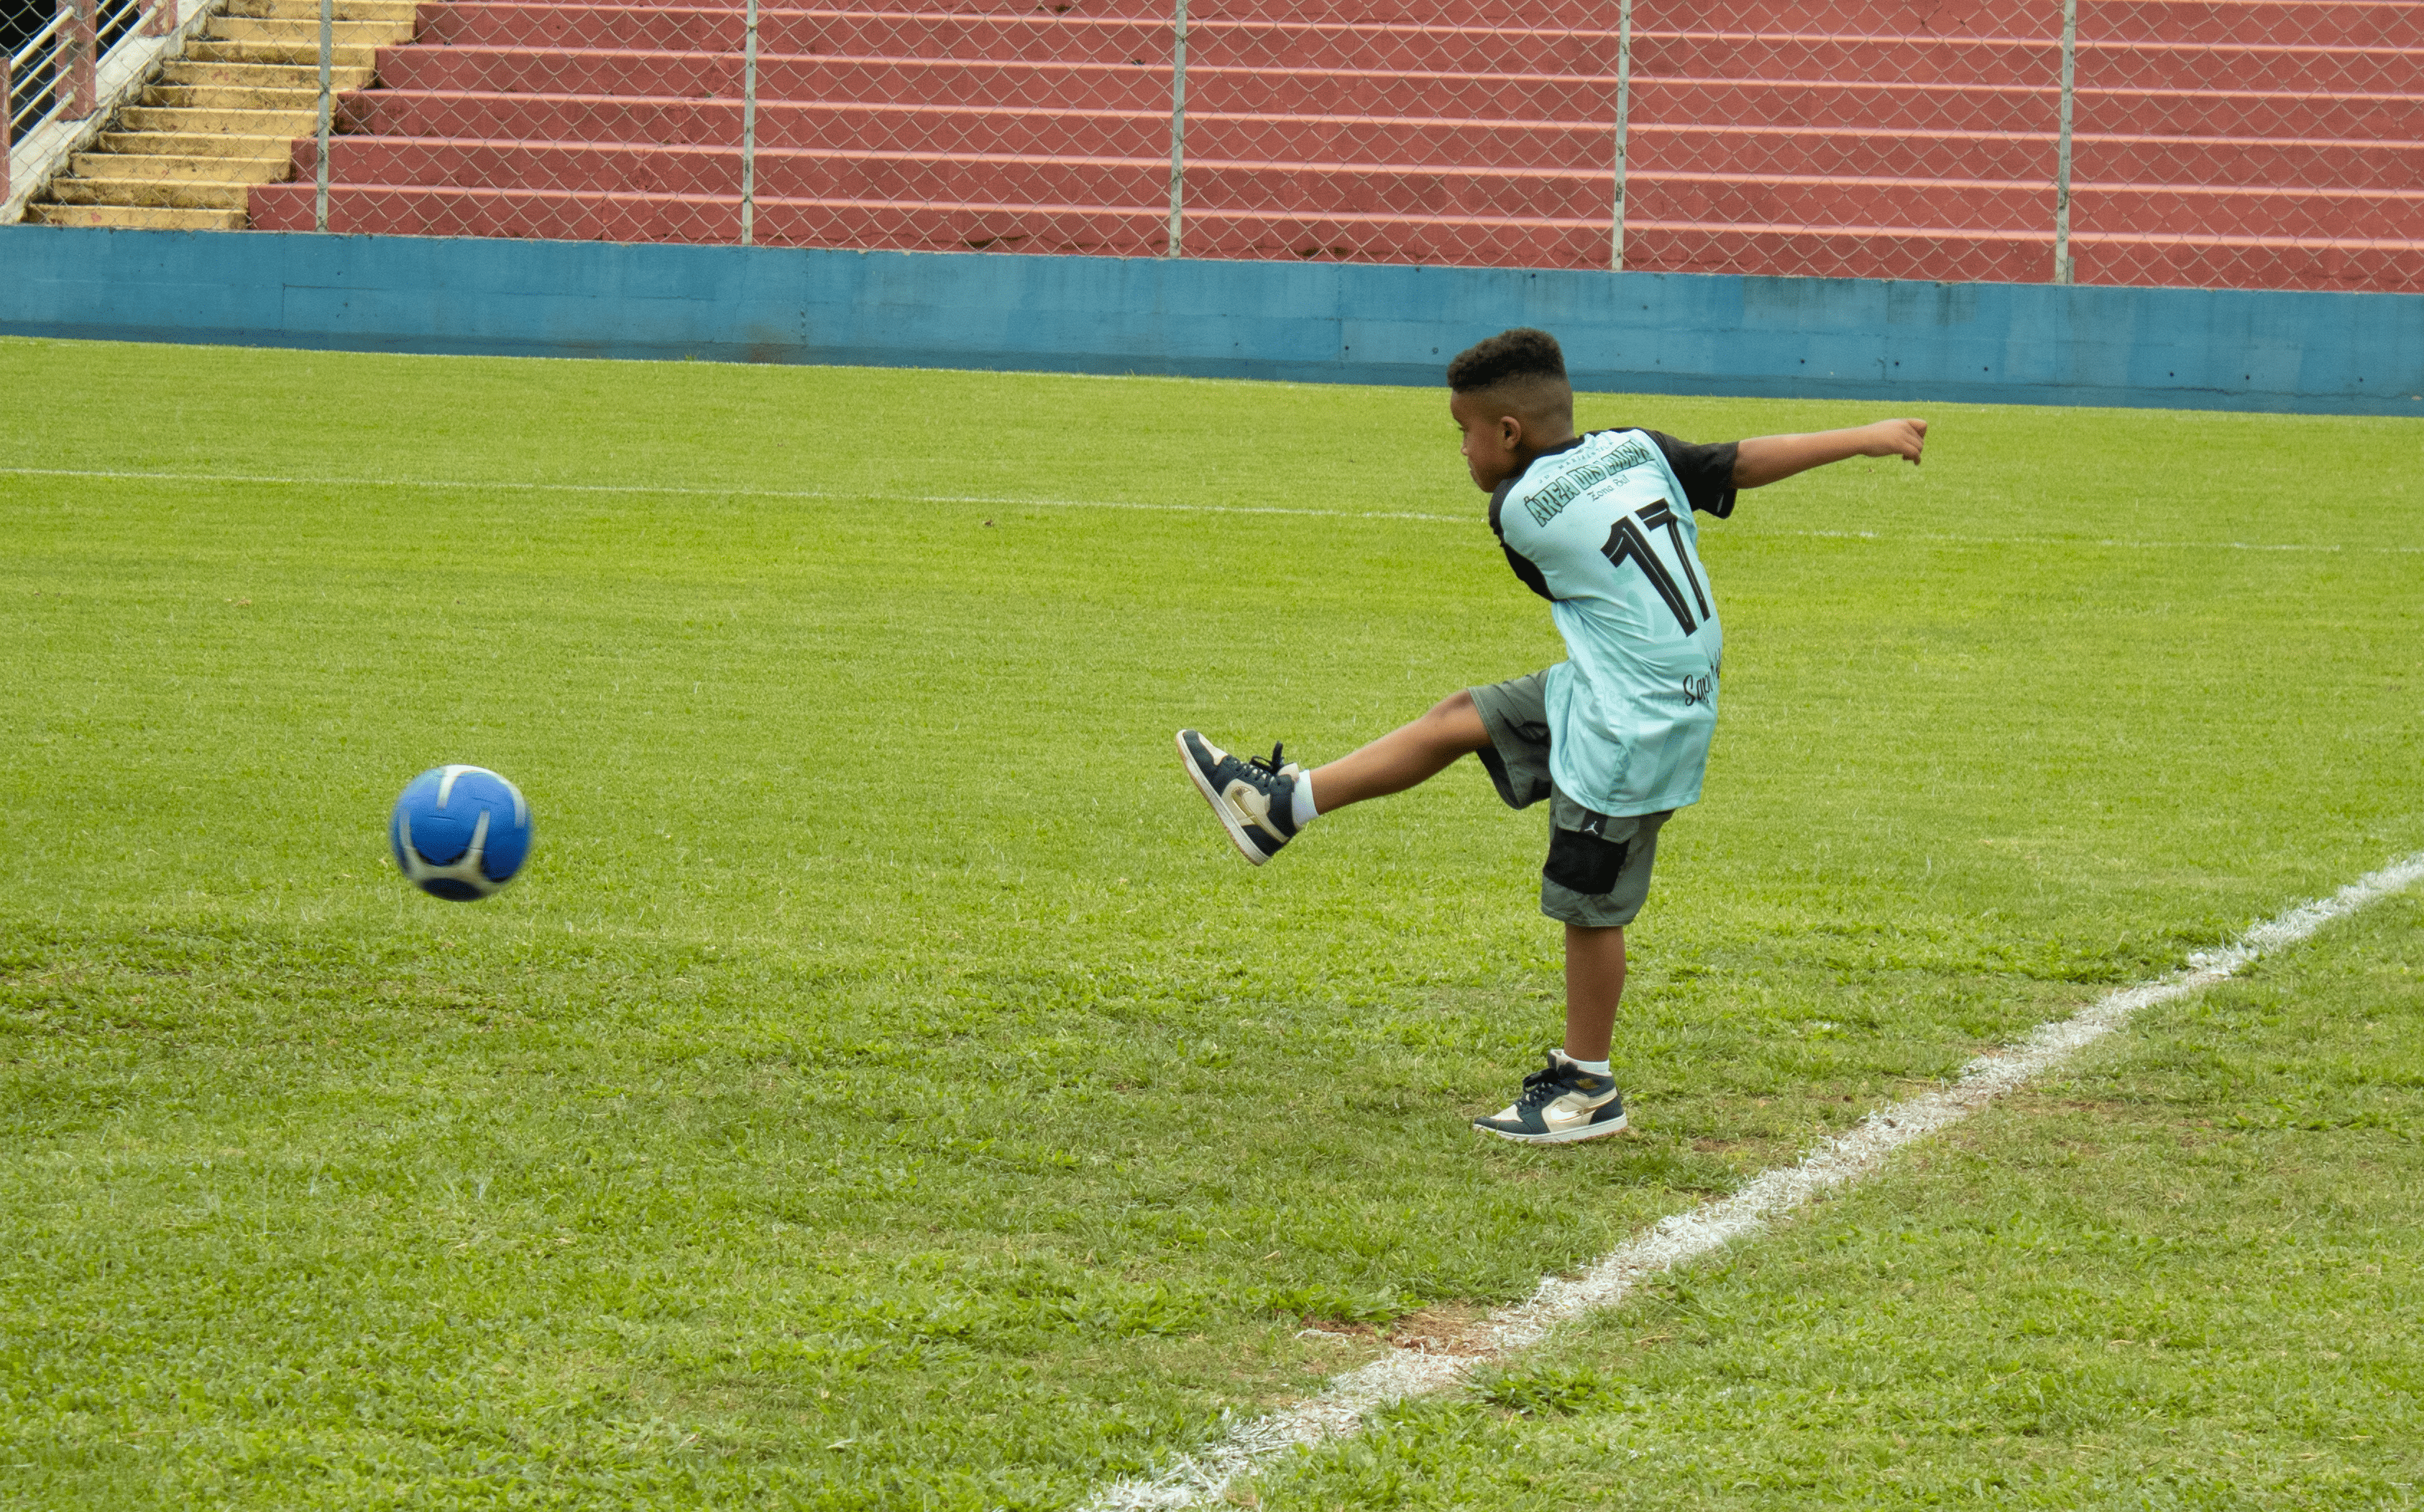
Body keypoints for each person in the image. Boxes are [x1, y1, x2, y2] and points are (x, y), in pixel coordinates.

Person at [1177, 327, 1927, 1144]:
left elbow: (1565, 552)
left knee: (1590, 906)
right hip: (1633, 680)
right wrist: (1866, 438)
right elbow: (1737, 459)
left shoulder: (1519, 511)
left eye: (1463, 431)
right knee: (1463, 716)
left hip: (1630, 721)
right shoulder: (1633, 447)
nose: (1461, 451)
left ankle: (1587, 1087)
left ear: (1508, 433)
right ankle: (1284, 806)